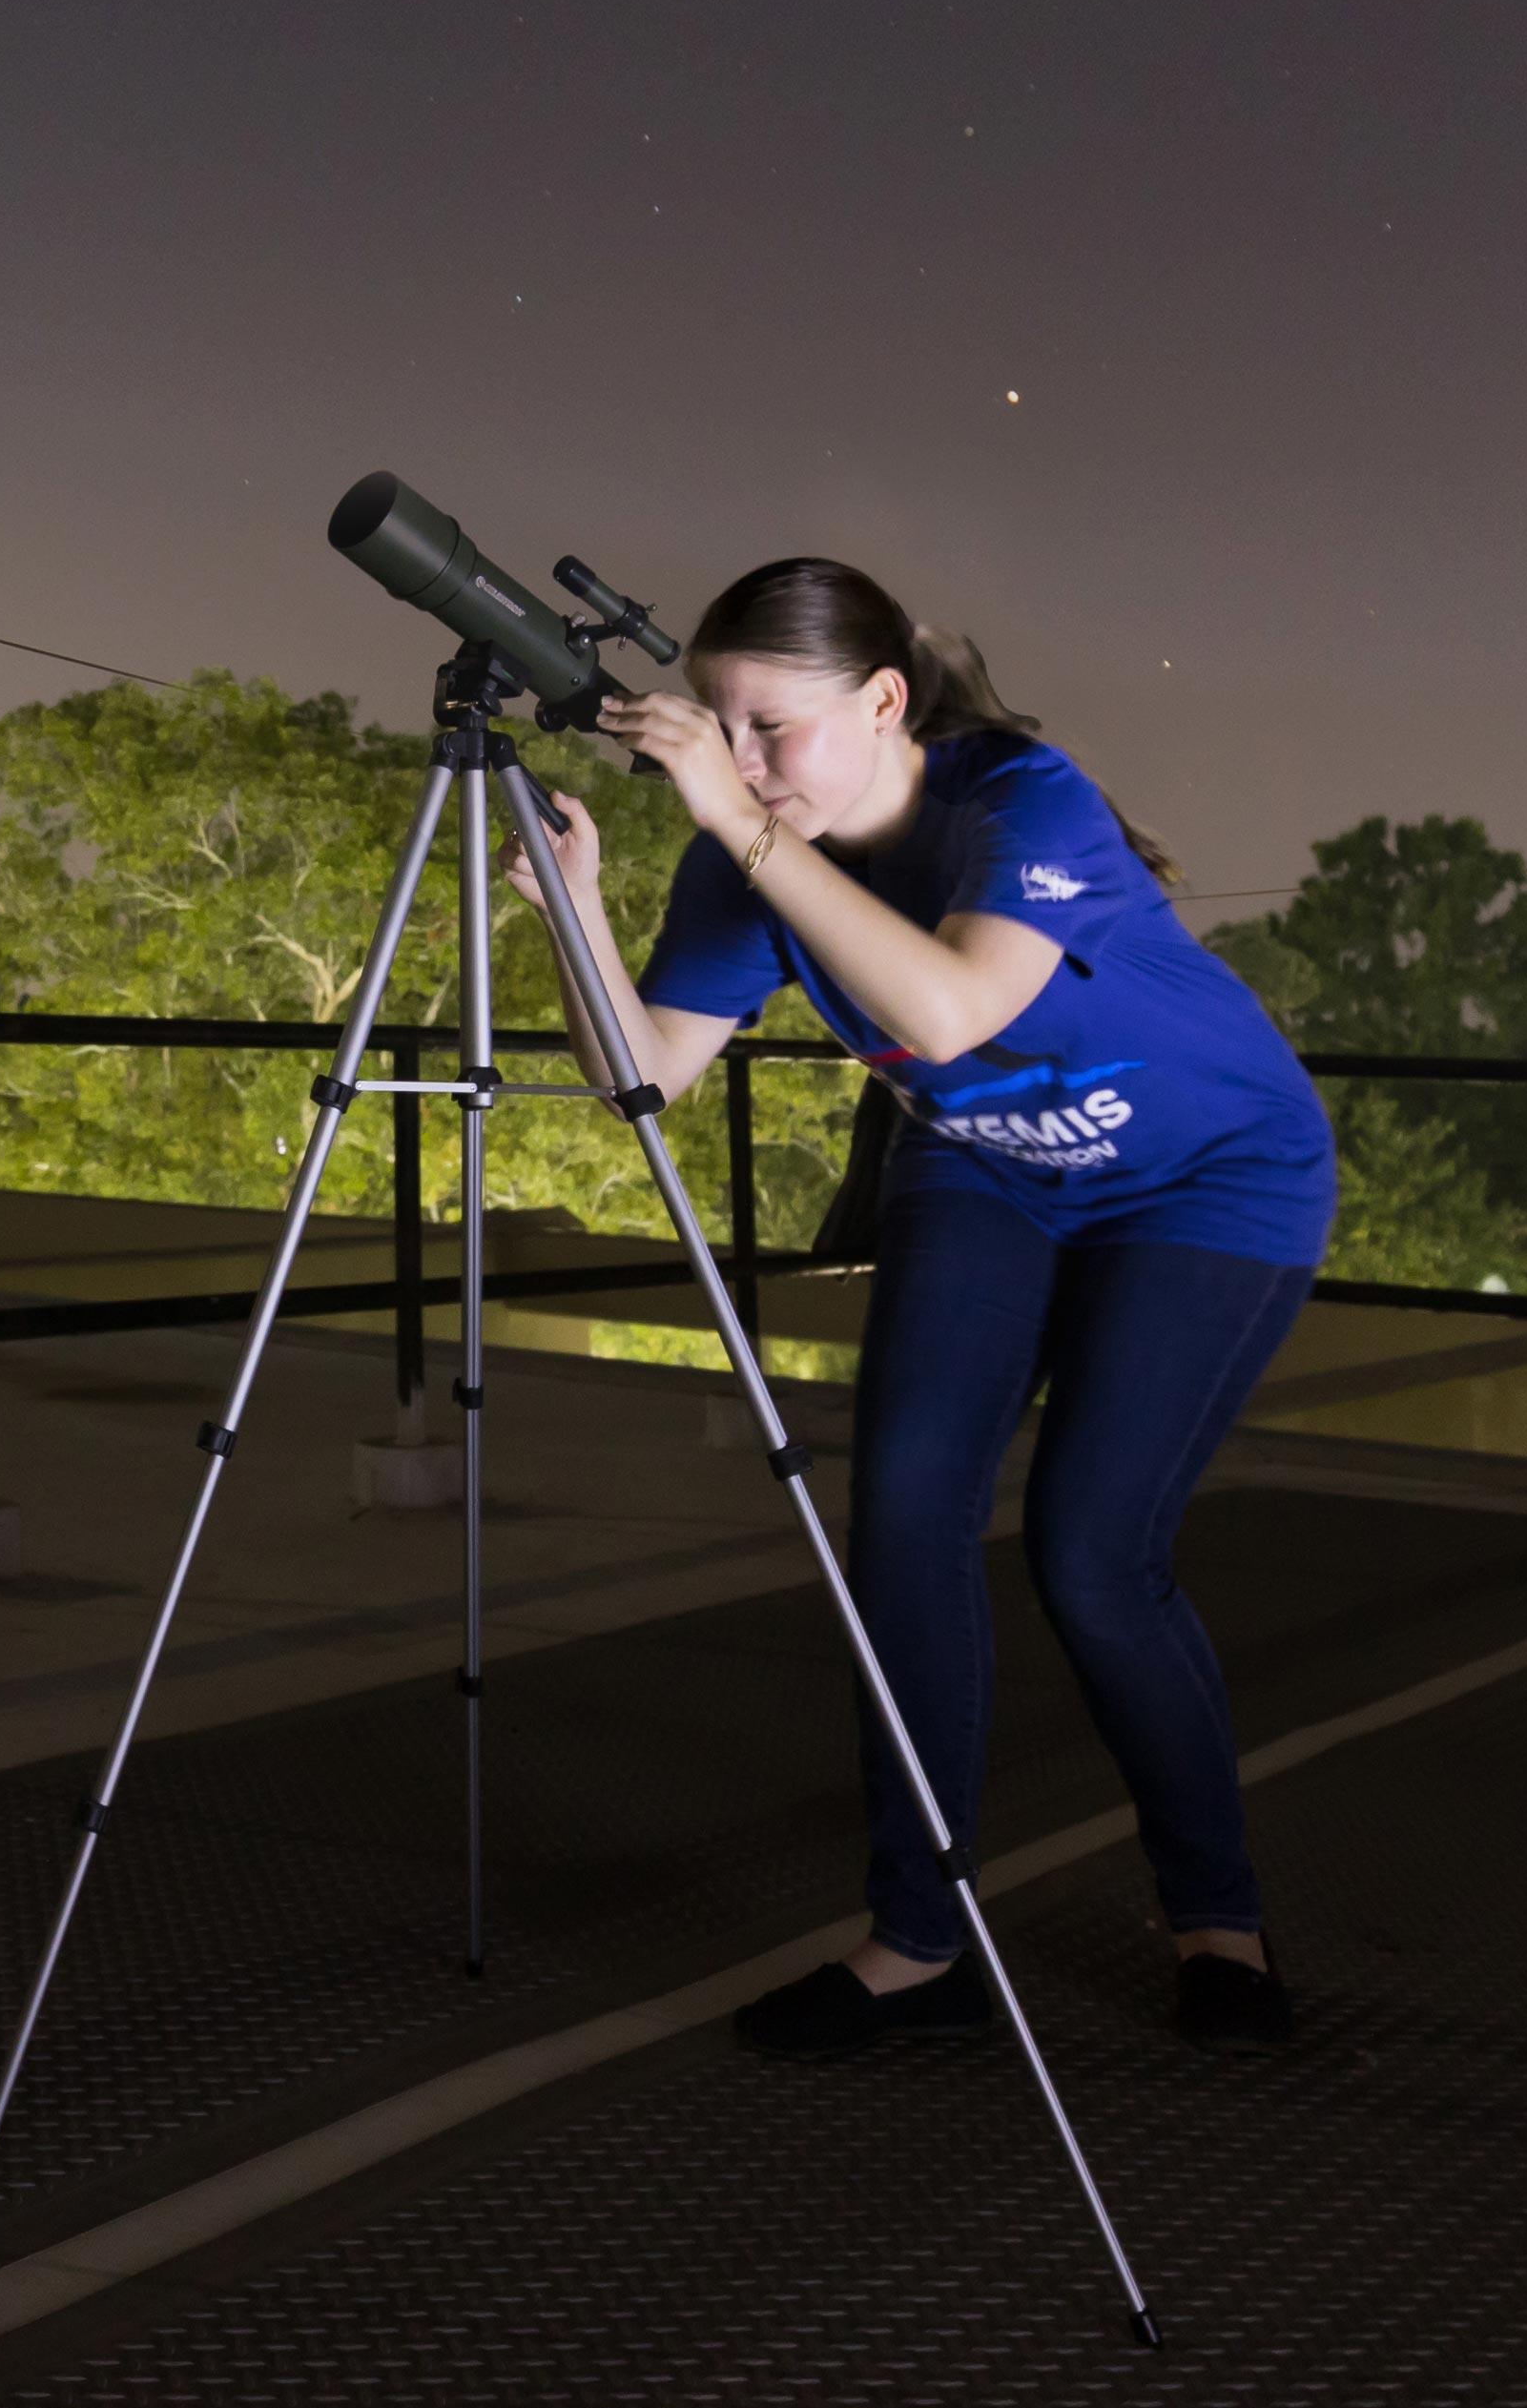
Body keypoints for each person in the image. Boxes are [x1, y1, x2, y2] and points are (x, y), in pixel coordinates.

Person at [515, 555, 1333, 2057]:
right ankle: (916, 1941)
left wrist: (744, 826)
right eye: (718, 725)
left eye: (774, 727)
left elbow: (949, 1010)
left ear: (886, 701)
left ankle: (1216, 1915)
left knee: (1095, 1559)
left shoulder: (1017, 798)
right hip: (989, 1172)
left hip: (1206, 1178)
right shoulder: (753, 851)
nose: (742, 760)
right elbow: (647, 1075)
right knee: (900, 1522)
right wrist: (575, 913)